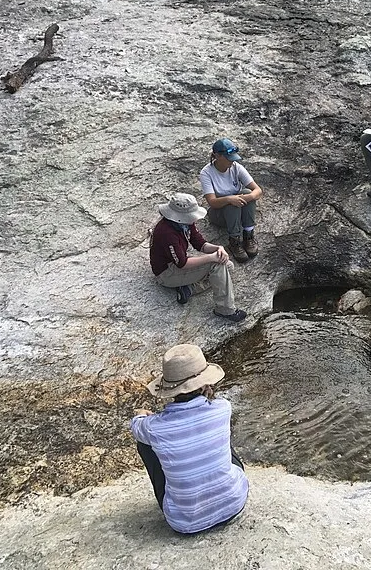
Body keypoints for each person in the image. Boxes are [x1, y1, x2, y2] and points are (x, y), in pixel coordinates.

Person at [131, 343, 249, 534]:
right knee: (219, 436)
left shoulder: (154, 427)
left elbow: (135, 426)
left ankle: (184, 499)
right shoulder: (223, 408)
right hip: (234, 504)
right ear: (205, 384)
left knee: (145, 444)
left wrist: (143, 415)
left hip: (186, 523)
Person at [149, 192, 247, 322]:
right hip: (166, 273)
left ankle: (188, 289)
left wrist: (218, 248)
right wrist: (212, 258)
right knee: (217, 265)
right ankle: (225, 309)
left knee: (227, 266)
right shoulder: (166, 233)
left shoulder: (184, 223)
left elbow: (199, 243)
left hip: (177, 265)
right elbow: (182, 263)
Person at [200, 138, 263, 263]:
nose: (232, 161)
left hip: (238, 212)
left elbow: (257, 190)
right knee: (231, 203)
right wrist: (229, 199)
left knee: (247, 193)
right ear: (217, 156)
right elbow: (212, 202)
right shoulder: (206, 173)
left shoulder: (236, 167)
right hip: (220, 213)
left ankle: (248, 235)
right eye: (229, 158)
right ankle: (234, 240)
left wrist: (248, 197)